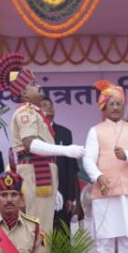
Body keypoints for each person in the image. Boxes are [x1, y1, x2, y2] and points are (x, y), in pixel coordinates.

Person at [0, 52, 86, 233]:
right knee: (36, 231)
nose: (39, 85)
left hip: (41, 178)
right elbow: (31, 145)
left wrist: (54, 188)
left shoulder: (36, 113)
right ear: (23, 92)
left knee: (43, 231)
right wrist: (66, 150)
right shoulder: (26, 113)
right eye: (33, 84)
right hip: (34, 176)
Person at [82, 80, 128, 253]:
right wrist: (98, 177)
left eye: (119, 103)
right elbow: (88, 159)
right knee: (105, 241)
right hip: (105, 192)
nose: (116, 107)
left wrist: (127, 155)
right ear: (103, 107)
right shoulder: (95, 131)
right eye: (112, 103)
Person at [39, 97, 83, 234]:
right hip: (41, 191)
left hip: (63, 194)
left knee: (62, 234)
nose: (47, 107)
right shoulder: (34, 133)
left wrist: (71, 197)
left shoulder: (65, 132)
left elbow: (71, 167)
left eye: (49, 105)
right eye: (43, 105)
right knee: (42, 233)